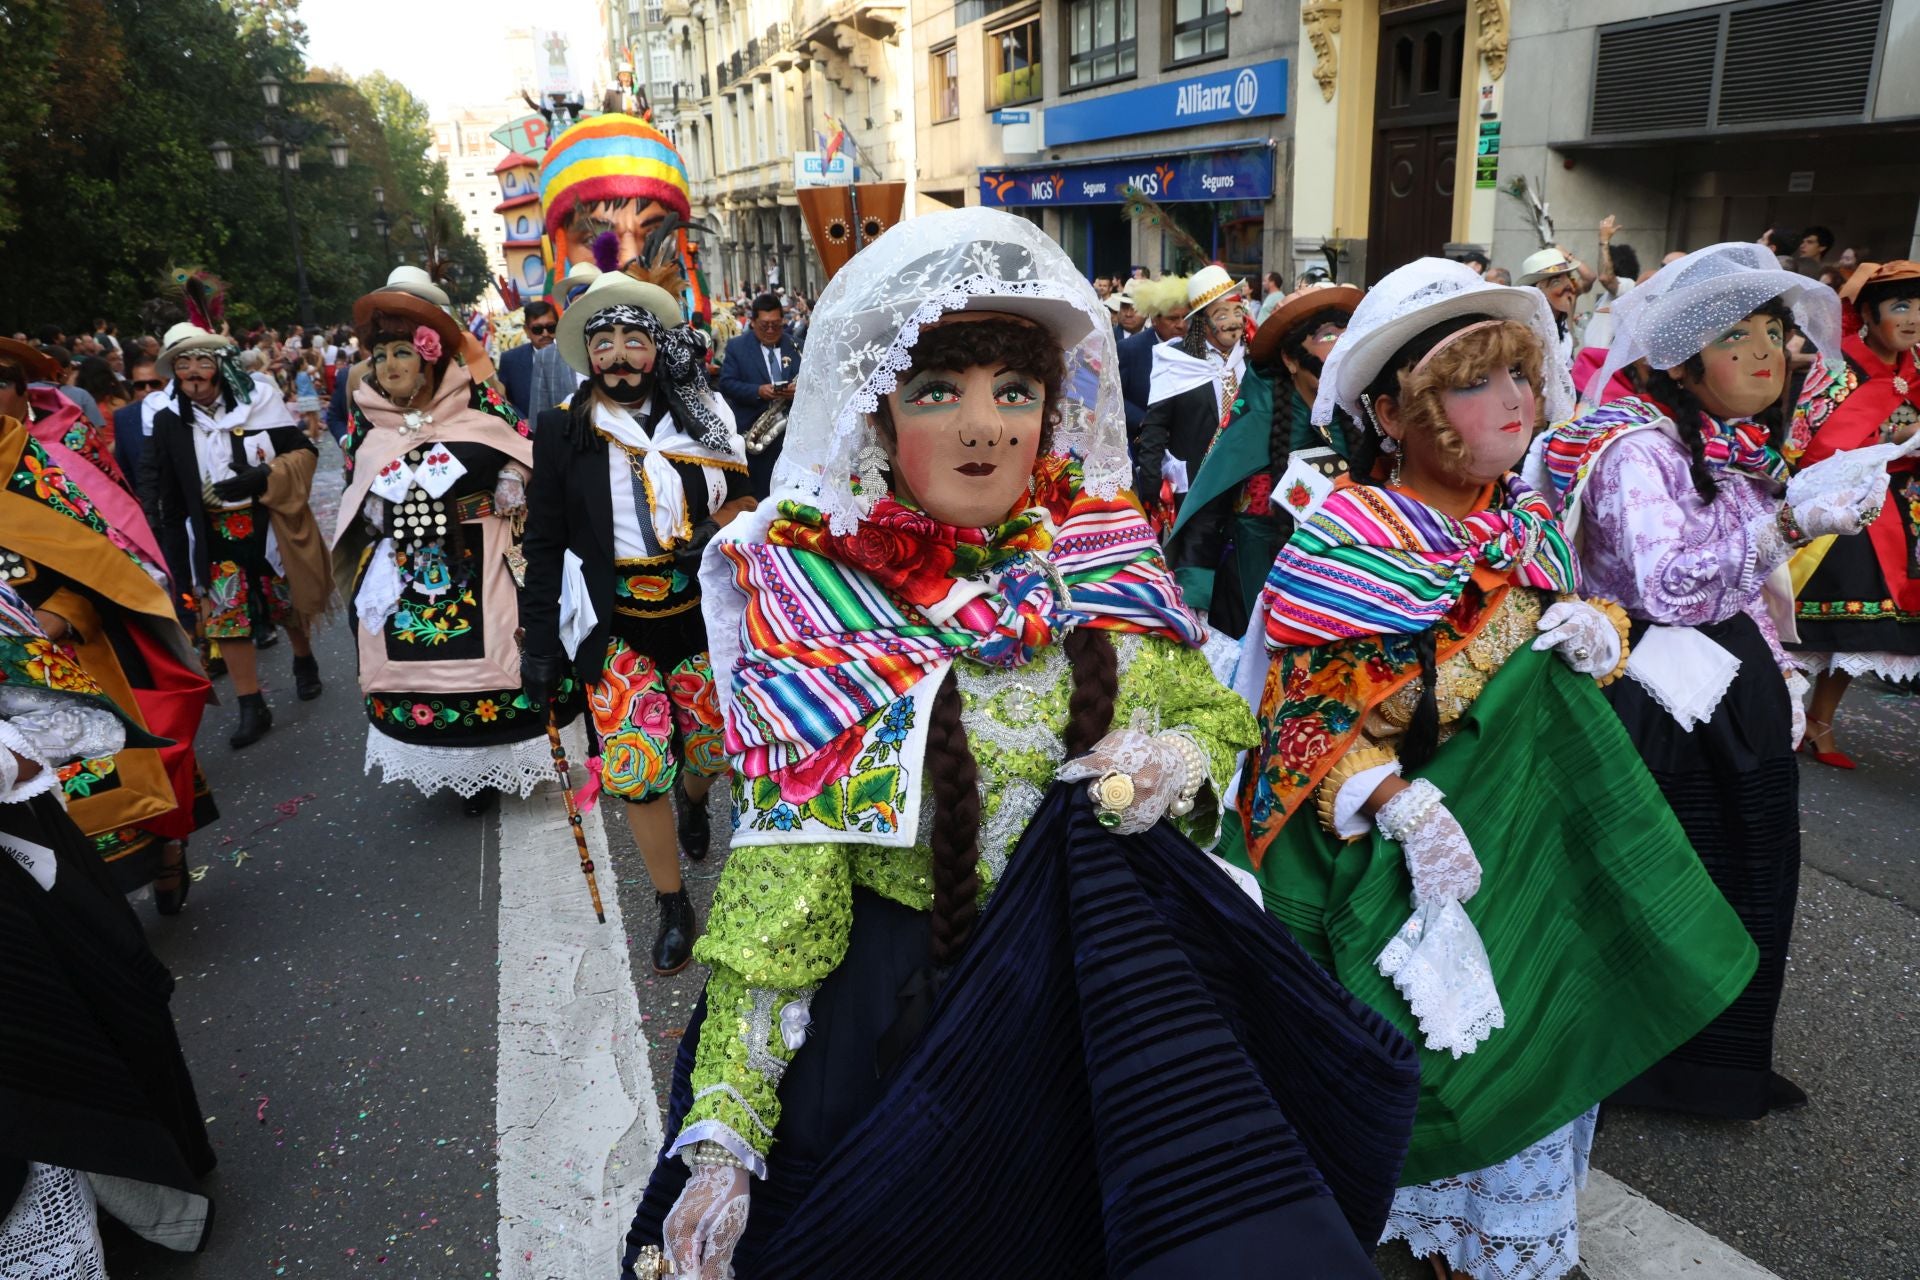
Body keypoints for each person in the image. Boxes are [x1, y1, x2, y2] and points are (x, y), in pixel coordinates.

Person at [623, 204, 1422, 1280]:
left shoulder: (1095, 566)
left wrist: (1166, 766)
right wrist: (724, 1138)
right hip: (906, 1030)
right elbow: (783, 889)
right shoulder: (818, 604)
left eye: (1015, 392)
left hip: (1090, 1015)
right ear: (876, 414)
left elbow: (1213, 717)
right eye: (938, 392)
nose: (984, 426)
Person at [1227, 258, 1757, 1280]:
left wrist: (1598, 631)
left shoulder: (1519, 516)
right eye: (1474, 383)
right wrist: (1394, 801)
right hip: (1408, 847)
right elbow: (1297, 719)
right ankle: (1451, 1254)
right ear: (1394, 411)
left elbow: (1541, 666)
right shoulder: (1350, 536)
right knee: (1458, 1058)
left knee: (1549, 1043)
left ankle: (1502, 1248)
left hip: (1526, 835)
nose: (1513, 399)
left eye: (1518, 373)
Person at [1536, 242, 1879, 1119]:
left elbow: (1742, 589)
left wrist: (1786, 675)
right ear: (1680, 363)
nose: (1767, 350)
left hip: (1731, 696)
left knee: (1751, 879)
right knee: (1667, 883)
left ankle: (1722, 1071)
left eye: (1774, 328)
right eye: (1737, 334)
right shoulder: (1632, 449)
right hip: (1659, 706)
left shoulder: (1730, 446)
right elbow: (1666, 585)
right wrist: (1791, 521)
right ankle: (1637, 1072)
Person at [519, 269, 753, 975]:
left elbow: (748, 495)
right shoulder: (565, 428)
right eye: (605, 342)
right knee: (638, 765)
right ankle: (672, 901)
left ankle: (694, 802)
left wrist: (707, 529)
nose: (619, 355)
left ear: (657, 347)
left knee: (711, 752)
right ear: (587, 353)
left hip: (698, 614)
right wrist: (536, 643)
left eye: (633, 340)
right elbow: (544, 539)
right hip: (612, 620)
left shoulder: (703, 417)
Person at [0, 586, 218, 1267]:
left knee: (97, 992)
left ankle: (136, 1182)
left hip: (31, 837)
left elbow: (97, 580)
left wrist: (61, 617)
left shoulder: (34, 484)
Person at [0, 341, 216, 911]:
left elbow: (105, 555)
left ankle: (165, 855)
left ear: (23, 392)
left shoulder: (42, 465)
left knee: (113, 776)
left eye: (1, 381)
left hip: (75, 653)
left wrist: (61, 614)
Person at [332, 287, 551, 817]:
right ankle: (458, 772)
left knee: (495, 658)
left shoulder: (475, 403)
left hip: (481, 558)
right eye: (379, 356)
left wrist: (510, 474)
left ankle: (494, 760)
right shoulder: (370, 425)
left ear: (430, 360)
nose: (388, 366)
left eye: (402, 353)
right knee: (420, 667)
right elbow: (356, 492)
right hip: (407, 568)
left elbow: (521, 442)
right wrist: (378, 512)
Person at [140, 321, 332, 748]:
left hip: (268, 523)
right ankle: (251, 705)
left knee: (285, 601)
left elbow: (305, 450)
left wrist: (264, 475)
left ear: (220, 367)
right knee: (227, 619)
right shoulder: (169, 421)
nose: (191, 372)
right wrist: (174, 559)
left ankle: (304, 661)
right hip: (212, 533)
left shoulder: (260, 404)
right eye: (182, 364)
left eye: (200, 362)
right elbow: (167, 496)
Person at [1785, 259, 1920, 765]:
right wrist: (1893, 443)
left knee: (1862, 629)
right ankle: (1781, 714)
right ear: (1867, 312)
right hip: (1837, 510)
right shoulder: (1838, 364)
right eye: (1900, 306)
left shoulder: (1916, 367)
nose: (1913, 319)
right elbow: (1809, 446)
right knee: (1806, 627)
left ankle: (1820, 722)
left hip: (1896, 509)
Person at [1134, 266, 1251, 541]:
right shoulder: (1176, 359)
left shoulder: (1252, 358)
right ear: (1202, 321)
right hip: (1193, 485)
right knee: (1193, 564)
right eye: (1222, 315)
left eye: (1237, 312)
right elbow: (1155, 424)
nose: (1233, 322)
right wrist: (1150, 483)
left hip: (1242, 483)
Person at [717, 293, 801, 499]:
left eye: (776, 324)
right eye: (765, 325)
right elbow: (726, 383)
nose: (771, 330)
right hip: (755, 434)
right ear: (753, 322)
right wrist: (758, 391)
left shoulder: (799, 345)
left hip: (793, 436)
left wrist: (799, 392)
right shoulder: (737, 347)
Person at [1117, 274, 1188, 437]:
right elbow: (1115, 396)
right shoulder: (1130, 349)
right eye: (1173, 318)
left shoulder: (1196, 347)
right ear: (1154, 319)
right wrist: (1145, 423)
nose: (1181, 325)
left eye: (1185, 317)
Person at [1516, 247, 1587, 370]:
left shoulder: (1562, 322)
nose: (1569, 286)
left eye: (1569, 278)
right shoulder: (1529, 331)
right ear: (1538, 291)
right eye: (1556, 282)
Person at [498, 299, 557, 418]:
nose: (545, 334)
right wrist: (521, 420)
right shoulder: (510, 360)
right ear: (527, 331)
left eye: (551, 327)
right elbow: (502, 399)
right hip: (529, 432)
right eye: (537, 329)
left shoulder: (571, 355)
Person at [293, 347, 325, 439]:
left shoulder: (297, 376)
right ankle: (313, 435)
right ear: (301, 365)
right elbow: (317, 368)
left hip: (303, 399)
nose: (307, 364)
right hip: (310, 398)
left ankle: (316, 436)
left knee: (313, 418)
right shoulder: (305, 374)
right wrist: (320, 357)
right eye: (305, 362)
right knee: (313, 419)